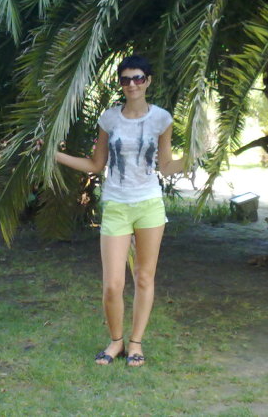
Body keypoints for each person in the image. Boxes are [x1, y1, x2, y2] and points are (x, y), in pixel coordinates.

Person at [54, 55, 185, 366]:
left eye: (138, 78)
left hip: (149, 205)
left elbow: (166, 166)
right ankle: (116, 342)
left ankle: (135, 343)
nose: (132, 85)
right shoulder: (110, 118)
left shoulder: (161, 119)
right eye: (126, 79)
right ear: (121, 84)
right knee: (113, 284)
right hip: (116, 204)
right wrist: (53, 155)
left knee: (144, 278)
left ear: (148, 81)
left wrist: (197, 156)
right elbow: (95, 164)